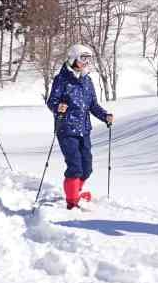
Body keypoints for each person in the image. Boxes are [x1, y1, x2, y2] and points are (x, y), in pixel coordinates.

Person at [46, 44, 114, 209]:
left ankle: (75, 192)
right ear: (73, 58)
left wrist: (105, 115)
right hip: (66, 129)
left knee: (87, 167)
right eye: (83, 58)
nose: (86, 62)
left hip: (84, 130)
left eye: (88, 59)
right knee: (75, 166)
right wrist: (58, 107)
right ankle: (72, 203)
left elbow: (93, 105)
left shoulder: (87, 81)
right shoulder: (61, 79)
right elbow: (51, 102)